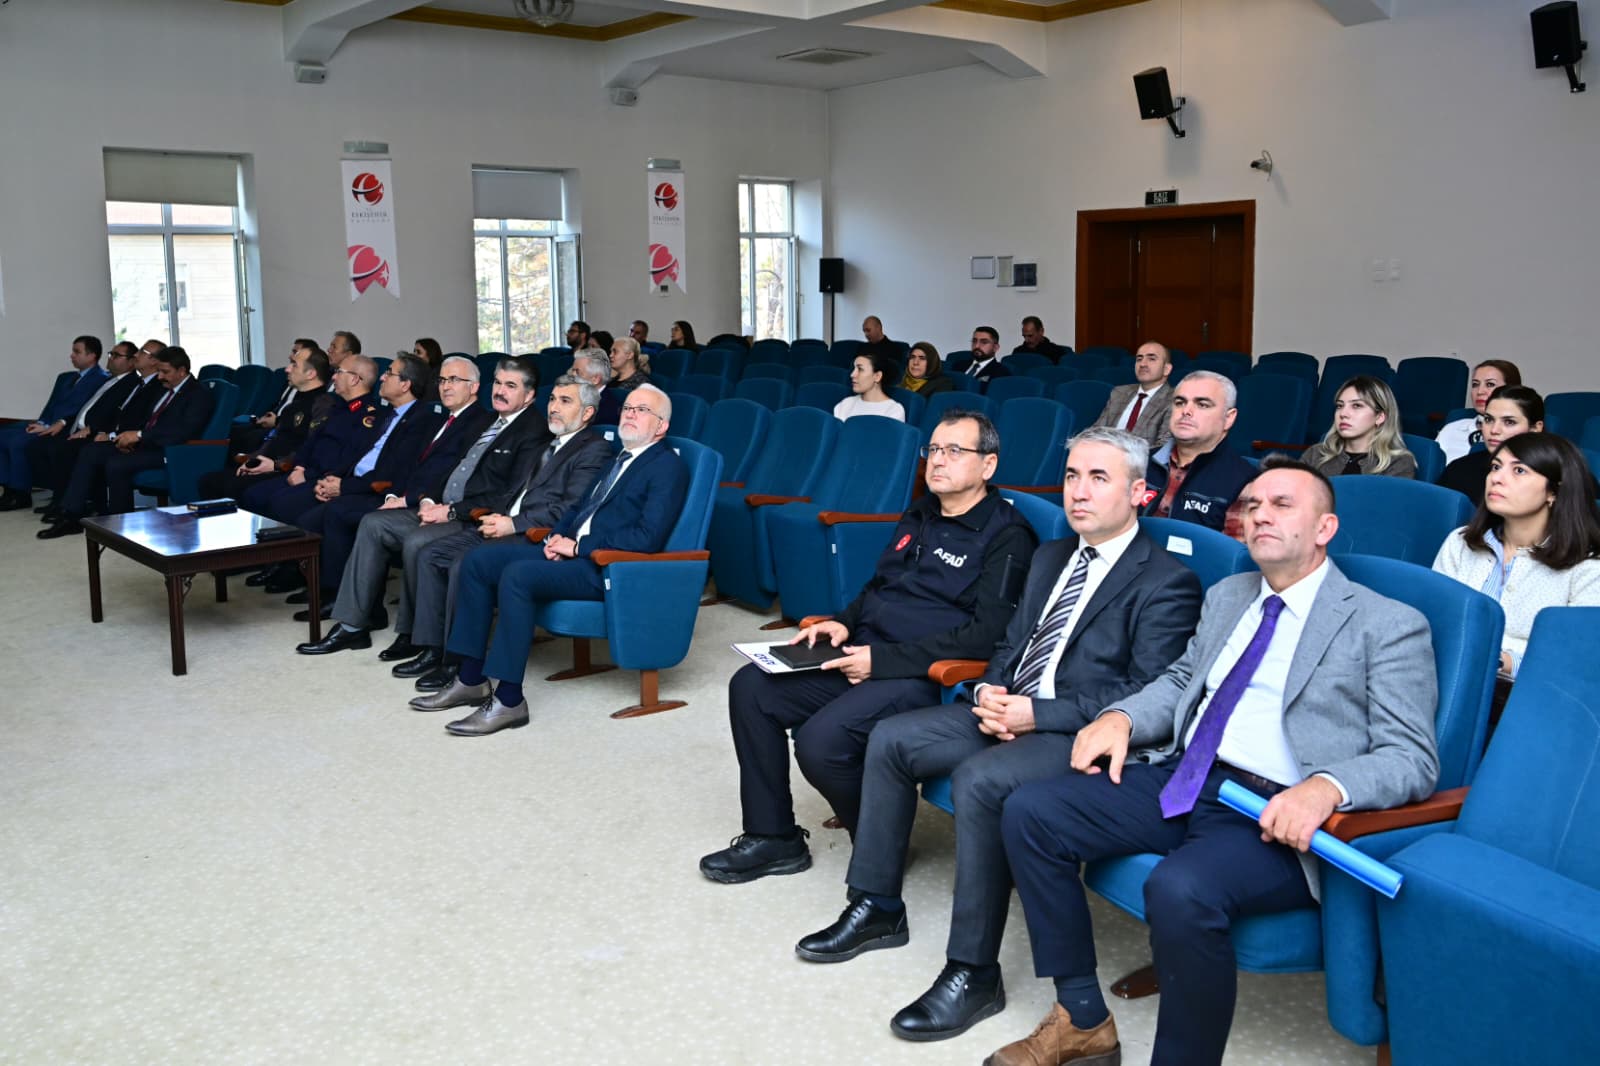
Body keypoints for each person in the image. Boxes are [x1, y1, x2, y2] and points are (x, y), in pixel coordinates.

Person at [988, 456, 1440, 1066]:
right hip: (1187, 776)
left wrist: (1326, 787)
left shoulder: (1386, 624)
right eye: (1252, 506)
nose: (1260, 516)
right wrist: (1121, 718)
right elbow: (1182, 681)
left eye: (1281, 505)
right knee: (1031, 811)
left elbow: (1411, 757)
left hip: (1272, 811)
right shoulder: (1229, 595)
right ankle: (1082, 1018)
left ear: (1325, 528)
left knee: (1179, 888)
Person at [794, 428, 1203, 1044]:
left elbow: (1145, 693)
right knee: (893, 740)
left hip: (1075, 730)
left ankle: (973, 972)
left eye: (1099, 478)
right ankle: (877, 905)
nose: (1079, 492)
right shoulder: (1052, 556)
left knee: (981, 780)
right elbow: (1011, 644)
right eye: (1072, 476)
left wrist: (1038, 714)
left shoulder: (1166, 581)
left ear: (1140, 493)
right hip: (1008, 706)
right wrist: (989, 689)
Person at [697, 411, 1038, 884]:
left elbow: (987, 635)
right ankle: (774, 837)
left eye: (954, 451)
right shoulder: (920, 511)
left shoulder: (1008, 535)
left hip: (923, 675)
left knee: (822, 743)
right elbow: (878, 587)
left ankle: (882, 848)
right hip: (862, 650)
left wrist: (881, 662)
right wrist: (841, 623)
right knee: (751, 688)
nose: (938, 461)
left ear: (988, 465)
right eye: (934, 450)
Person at [411, 385, 688, 737]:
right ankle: (470, 678)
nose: (630, 413)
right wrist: (555, 538)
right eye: (628, 407)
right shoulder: (620, 457)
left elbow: (647, 537)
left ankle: (509, 700)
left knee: (517, 576)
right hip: (573, 551)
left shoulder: (667, 467)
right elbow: (578, 508)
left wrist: (579, 546)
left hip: (607, 565)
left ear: (661, 426)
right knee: (478, 561)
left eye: (642, 410)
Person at [296, 357, 551, 655]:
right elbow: (450, 470)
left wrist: (448, 510)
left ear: (529, 395)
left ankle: (412, 634)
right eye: (498, 383)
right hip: (440, 504)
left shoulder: (528, 429)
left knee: (417, 541)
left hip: (471, 516)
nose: (500, 391)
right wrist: (427, 500)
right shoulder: (493, 421)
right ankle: (353, 626)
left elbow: (507, 494)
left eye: (510, 386)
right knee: (373, 523)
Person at [395, 373, 614, 687]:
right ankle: (433, 647)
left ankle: (457, 663)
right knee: (430, 554)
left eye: (565, 401)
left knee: (462, 565)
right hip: (503, 523)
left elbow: (569, 509)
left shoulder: (593, 449)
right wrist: (491, 515)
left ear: (588, 412)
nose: (554, 407)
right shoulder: (548, 444)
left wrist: (512, 523)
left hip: (533, 535)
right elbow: (511, 491)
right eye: (553, 399)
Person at [1432, 431, 1600, 686]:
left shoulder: (1587, 567)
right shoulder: (1460, 542)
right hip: (1443, 679)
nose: (1497, 478)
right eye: (1495, 467)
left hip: (1532, 694)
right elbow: (1434, 619)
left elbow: (1577, 659)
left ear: (1554, 491)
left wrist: (1498, 660)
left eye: (1519, 471)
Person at [39, 346, 216, 538]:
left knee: (117, 464)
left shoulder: (198, 394)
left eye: (165, 372)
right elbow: (145, 420)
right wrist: (125, 437)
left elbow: (183, 432)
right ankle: (72, 514)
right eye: (159, 371)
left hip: (171, 451)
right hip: (146, 444)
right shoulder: (166, 389)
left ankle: (120, 523)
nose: (160, 377)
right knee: (92, 451)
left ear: (182, 371)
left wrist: (139, 436)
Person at [35, 341, 167, 523]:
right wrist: (102, 430)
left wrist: (107, 432)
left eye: (142, 352)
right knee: (65, 446)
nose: (137, 355)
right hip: (111, 433)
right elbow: (117, 412)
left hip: (135, 441)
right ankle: (71, 506)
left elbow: (141, 420)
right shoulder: (139, 384)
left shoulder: (155, 386)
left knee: (85, 450)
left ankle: (73, 510)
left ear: (154, 361)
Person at [6, 341, 139, 513]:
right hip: (75, 426)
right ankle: (57, 498)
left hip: (96, 432)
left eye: (116, 355)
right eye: (111, 354)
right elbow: (85, 407)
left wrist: (94, 428)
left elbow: (115, 414)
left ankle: (66, 504)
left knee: (60, 448)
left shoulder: (130, 383)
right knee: (36, 446)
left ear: (131, 362)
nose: (111, 358)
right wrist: (62, 422)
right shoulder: (110, 380)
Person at [197, 345, 336, 503]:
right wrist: (252, 460)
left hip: (287, 469)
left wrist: (275, 465)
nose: (287, 369)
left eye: (294, 365)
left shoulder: (323, 404)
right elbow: (274, 438)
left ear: (310, 374)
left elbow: (311, 447)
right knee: (209, 480)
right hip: (268, 464)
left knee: (235, 488)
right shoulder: (294, 405)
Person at [1139, 370, 1256, 539]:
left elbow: (1231, 552)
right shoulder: (1139, 460)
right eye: (1179, 402)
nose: (1186, 411)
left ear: (1229, 418)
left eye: (1202, 405)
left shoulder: (1245, 481)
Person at [1439, 385, 1544, 506]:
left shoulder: (1548, 476)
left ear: (1535, 428)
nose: (1494, 430)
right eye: (1488, 419)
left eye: (1509, 422)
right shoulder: (1459, 469)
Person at [1299, 375, 1416, 478]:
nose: (1343, 414)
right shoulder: (1315, 454)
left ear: (1380, 417)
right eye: (1340, 406)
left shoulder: (1398, 462)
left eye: (1357, 406)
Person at [1091, 341, 1175, 448]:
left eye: (1151, 359)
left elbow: (1163, 447)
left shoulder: (1174, 400)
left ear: (1166, 369)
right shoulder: (1119, 392)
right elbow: (1097, 430)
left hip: (1141, 457)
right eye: (1139, 359)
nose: (1143, 364)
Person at [1436, 359, 1521, 465]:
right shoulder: (1451, 429)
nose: (1480, 391)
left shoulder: (1520, 434)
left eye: (1490, 384)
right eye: (1475, 384)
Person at [834, 350, 906, 422]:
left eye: (860, 369)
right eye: (854, 369)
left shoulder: (893, 410)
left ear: (877, 376)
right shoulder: (846, 404)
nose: (852, 374)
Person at [946, 327, 1013, 386]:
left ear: (995, 348)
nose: (977, 346)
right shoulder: (958, 366)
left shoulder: (1002, 373)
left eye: (984, 342)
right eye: (974, 341)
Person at [570, 347, 620, 425]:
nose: (572, 375)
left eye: (577, 372)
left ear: (595, 379)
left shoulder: (607, 411)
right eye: (573, 370)